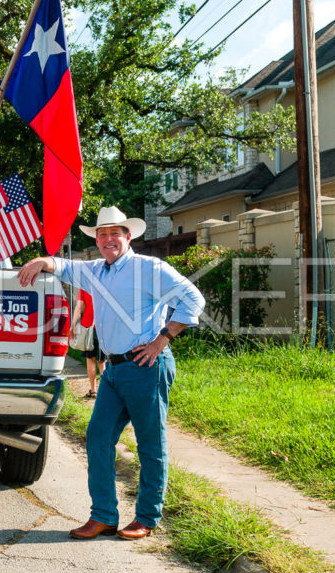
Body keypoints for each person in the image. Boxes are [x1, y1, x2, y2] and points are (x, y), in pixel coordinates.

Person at [17, 206, 205, 541]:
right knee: (98, 437)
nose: (107, 240)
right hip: (113, 371)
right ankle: (103, 515)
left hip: (145, 366)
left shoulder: (149, 268)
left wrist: (162, 340)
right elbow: (64, 266)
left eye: (114, 233)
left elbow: (193, 298)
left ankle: (147, 517)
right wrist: (41, 261)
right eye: (102, 234)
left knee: (150, 445)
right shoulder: (96, 270)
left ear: (127, 236)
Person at [75, 289, 105, 398]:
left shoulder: (83, 287)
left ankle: (93, 391)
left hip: (88, 328)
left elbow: (79, 308)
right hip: (102, 328)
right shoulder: (104, 283)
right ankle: (105, 391)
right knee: (102, 362)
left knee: (90, 360)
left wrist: (73, 325)